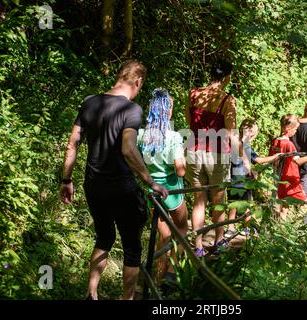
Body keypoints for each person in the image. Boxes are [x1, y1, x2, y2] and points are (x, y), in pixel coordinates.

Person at [59, 60, 168, 300]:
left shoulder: (89, 102)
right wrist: (151, 182)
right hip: (122, 189)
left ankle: (91, 294)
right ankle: (127, 299)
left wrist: (66, 180)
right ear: (137, 82)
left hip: (94, 186)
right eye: (141, 86)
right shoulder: (132, 109)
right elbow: (129, 149)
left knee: (104, 237)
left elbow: (72, 144)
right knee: (132, 246)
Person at [185, 59, 251, 257]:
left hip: (193, 151)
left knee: (199, 200)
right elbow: (230, 134)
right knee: (218, 200)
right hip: (216, 154)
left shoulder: (193, 94)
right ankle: (219, 242)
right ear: (227, 77)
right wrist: (245, 159)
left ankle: (197, 246)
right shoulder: (227, 100)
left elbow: (190, 123)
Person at [137, 88, 188, 283]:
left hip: (153, 190)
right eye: (171, 108)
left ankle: (156, 275)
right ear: (167, 111)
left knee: (164, 234)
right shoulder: (173, 137)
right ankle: (171, 273)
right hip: (172, 191)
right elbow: (180, 170)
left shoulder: (141, 135)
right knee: (182, 228)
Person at [225, 119, 282, 237]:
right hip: (244, 181)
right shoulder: (245, 145)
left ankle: (230, 228)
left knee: (232, 204)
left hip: (233, 179)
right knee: (246, 205)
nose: (254, 136)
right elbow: (258, 160)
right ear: (250, 133)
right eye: (254, 134)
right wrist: (275, 157)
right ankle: (247, 227)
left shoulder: (234, 143)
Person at [268, 114, 307, 219]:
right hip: (291, 180)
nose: (296, 132)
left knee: (284, 205)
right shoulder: (289, 144)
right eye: (295, 129)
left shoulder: (275, 141)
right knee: (306, 203)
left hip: (279, 179)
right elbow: (297, 161)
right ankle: (299, 227)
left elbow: (271, 158)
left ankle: (281, 227)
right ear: (288, 129)